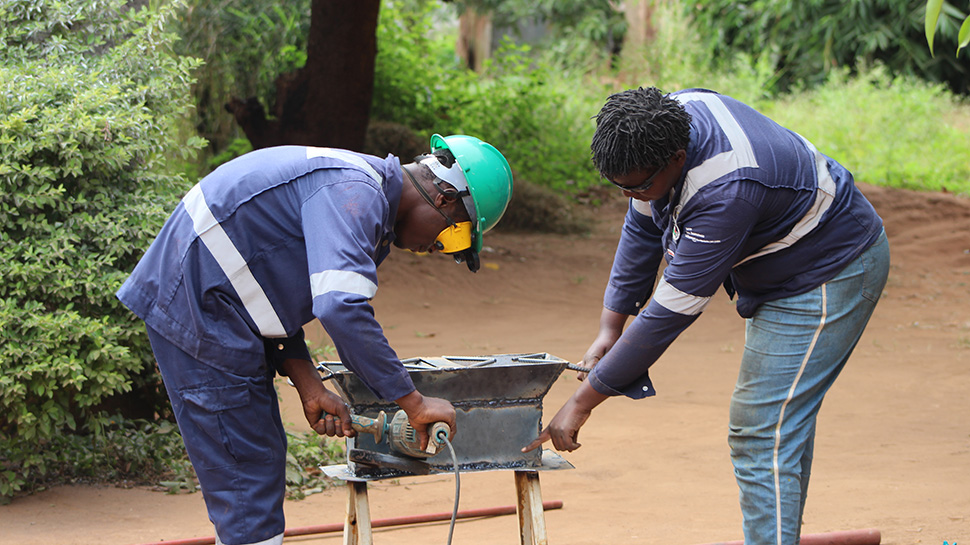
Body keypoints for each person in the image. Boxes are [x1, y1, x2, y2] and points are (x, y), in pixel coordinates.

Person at [524, 87, 890, 545]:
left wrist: (581, 404)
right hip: (783, 264)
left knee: (761, 429)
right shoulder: (655, 126)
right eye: (618, 185)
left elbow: (668, 313)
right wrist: (609, 329)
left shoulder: (726, 191)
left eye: (637, 185)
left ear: (677, 158)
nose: (629, 194)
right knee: (778, 427)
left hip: (826, 271)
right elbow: (641, 224)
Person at [117, 134, 513, 545]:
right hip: (201, 306)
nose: (436, 249)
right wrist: (413, 403)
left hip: (221, 302)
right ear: (445, 198)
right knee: (245, 474)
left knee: (258, 461)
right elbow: (340, 308)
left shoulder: (360, 191)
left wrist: (309, 383)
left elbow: (271, 286)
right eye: (453, 238)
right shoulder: (356, 194)